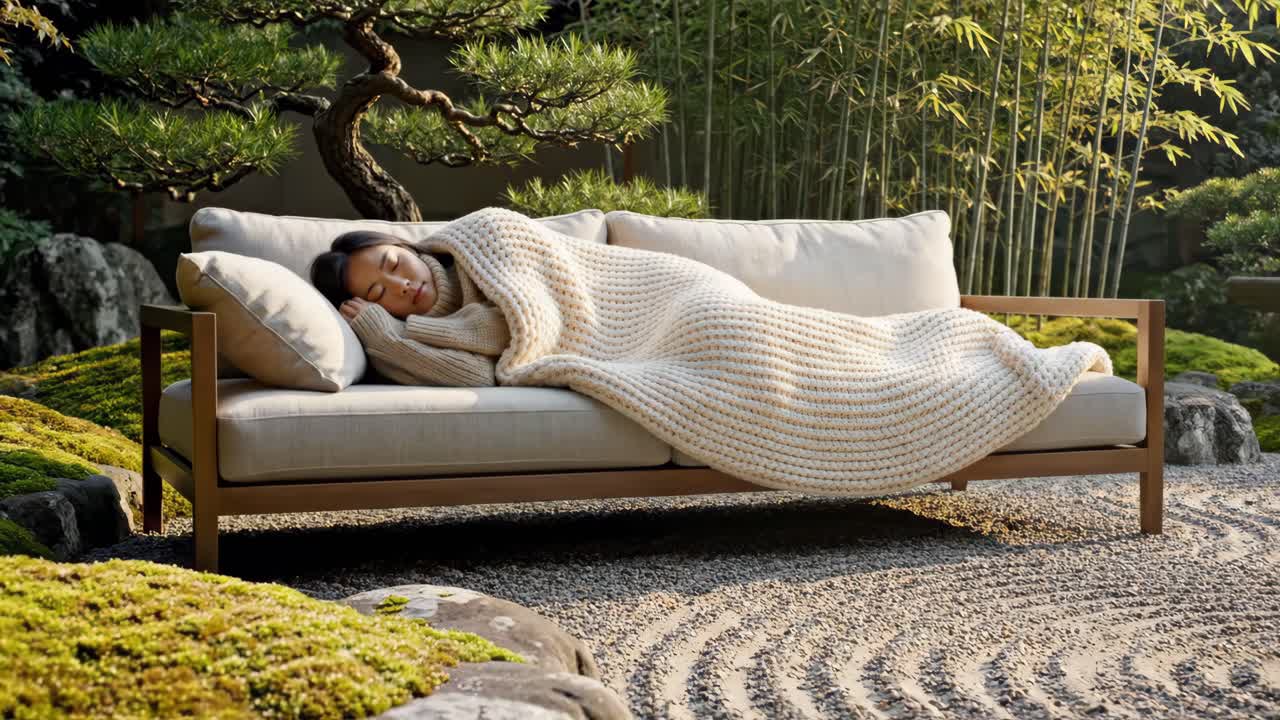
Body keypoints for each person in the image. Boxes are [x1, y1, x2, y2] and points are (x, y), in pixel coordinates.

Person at [309, 230, 510, 386]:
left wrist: (401, 330)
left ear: (407, 248)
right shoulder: (387, 345)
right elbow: (480, 375)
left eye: (394, 263)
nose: (401, 286)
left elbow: (509, 330)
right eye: (378, 293)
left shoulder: (475, 253)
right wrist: (386, 338)